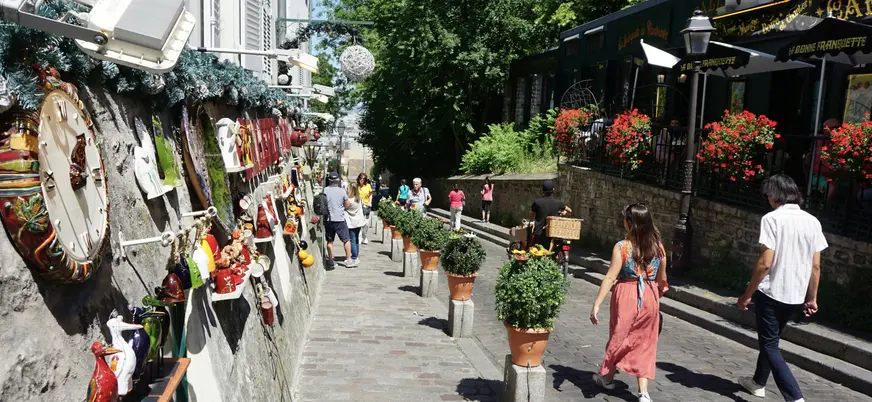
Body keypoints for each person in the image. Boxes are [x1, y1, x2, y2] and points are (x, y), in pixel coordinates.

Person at [736, 174, 826, 402]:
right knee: (771, 341)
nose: (767, 198)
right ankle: (757, 382)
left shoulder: (772, 219)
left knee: (769, 345)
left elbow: (765, 262)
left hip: (772, 290)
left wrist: (748, 294)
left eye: (767, 194)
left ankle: (795, 397)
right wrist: (812, 297)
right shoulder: (813, 221)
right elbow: (815, 266)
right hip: (795, 292)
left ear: (774, 195)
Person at [590, 203, 668, 402]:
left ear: (630, 223)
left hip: (626, 294)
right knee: (646, 343)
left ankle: (607, 376)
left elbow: (610, 277)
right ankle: (643, 393)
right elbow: (662, 279)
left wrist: (597, 303)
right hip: (650, 295)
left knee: (619, 336)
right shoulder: (659, 247)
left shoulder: (622, 247)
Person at [804, 118, 840, 203]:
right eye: (834, 127)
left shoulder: (841, 142)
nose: (837, 130)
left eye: (838, 127)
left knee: (854, 185)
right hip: (819, 175)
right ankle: (826, 208)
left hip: (837, 176)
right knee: (832, 185)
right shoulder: (820, 140)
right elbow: (819, 158)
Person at [530, 180, 571, 249]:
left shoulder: (537, 202)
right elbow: (569, 210)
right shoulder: (559, 203)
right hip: (553, 234)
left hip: (539, 233)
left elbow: (531, 214)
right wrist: (564, 213)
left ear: (543, 190)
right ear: (553, 190)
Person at [323, 172, 353, 269]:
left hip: (328, 219)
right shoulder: (342, 191)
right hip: (339, 219)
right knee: (346, 240)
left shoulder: (325, 190)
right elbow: (347, 204)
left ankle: (331, 261)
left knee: (330, 241)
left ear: (330, 180)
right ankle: (348, 260)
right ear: (338, 180)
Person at [344, 182, 367, 267]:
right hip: (359, 221)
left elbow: (344, 207)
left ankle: (354, 257)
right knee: (357, 239)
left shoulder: (349, 201)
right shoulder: (358, 198)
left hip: (351, 223)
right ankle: (356, 255)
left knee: (352, 240)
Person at [357, 173, 374, 245]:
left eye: (363, 179)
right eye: (360, 178)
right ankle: (360, 237)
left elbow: (370, 195)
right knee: (360, 223)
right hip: (358, 207)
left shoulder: (368, 186)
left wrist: (370, 202)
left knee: (366, 223)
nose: (362, 180)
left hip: (366, 206)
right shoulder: (356, 187)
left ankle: (364, 235)